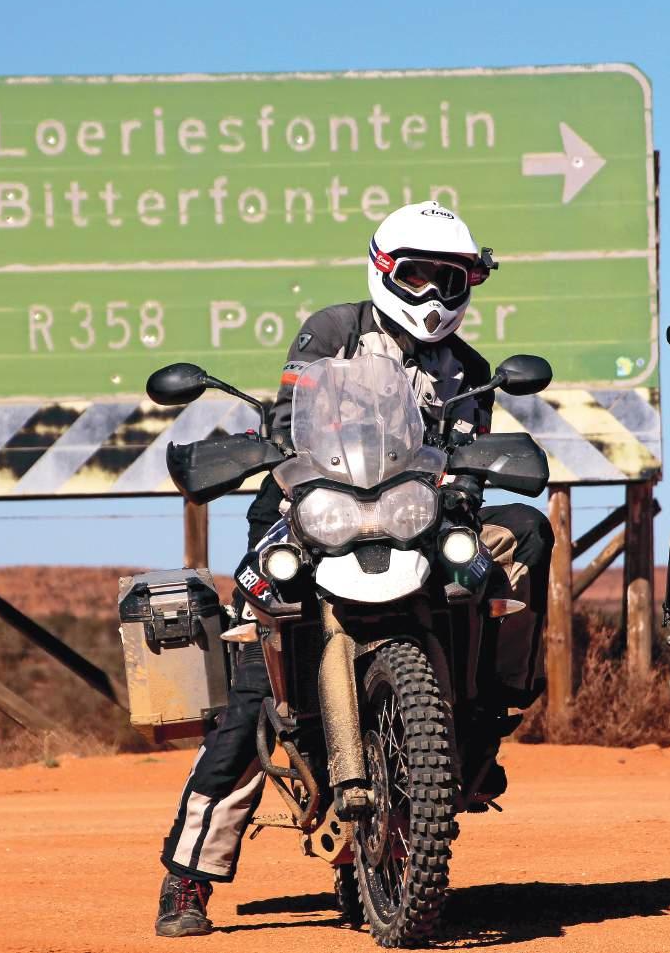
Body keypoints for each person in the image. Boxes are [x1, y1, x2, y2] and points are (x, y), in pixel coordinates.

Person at [154, 202, 554, 938]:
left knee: (520, 538)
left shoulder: (468, 368)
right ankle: (188, 875)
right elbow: (291, 419)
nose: (433, 293)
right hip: (316, 509)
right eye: (418, 275)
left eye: (450, 279)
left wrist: (461, 490)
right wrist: (282, 454)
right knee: (256, 690)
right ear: (384, 271)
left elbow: (468, 453)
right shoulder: (334, 329)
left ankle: (487, 708)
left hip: (412, 514)